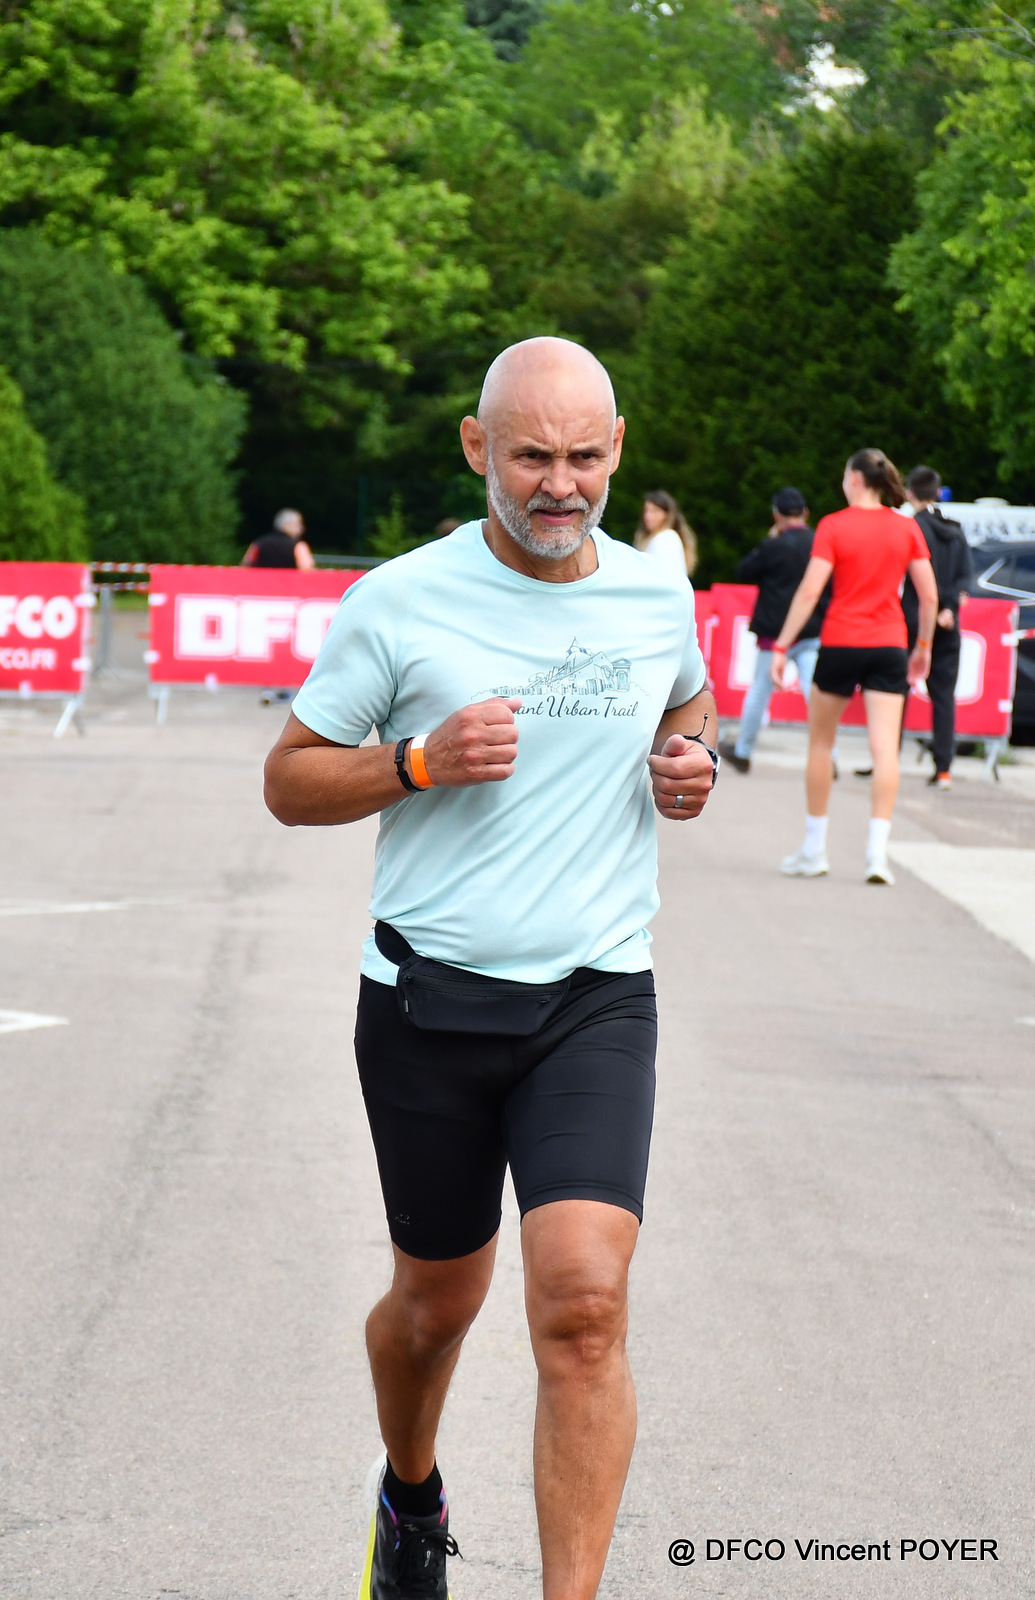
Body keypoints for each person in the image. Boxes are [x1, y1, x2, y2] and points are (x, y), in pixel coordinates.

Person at [263, 336, 718, 1600]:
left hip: (594, 998)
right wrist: (416, 761)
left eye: (582, 457)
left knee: (583, 1306)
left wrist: (690, 766)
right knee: (434, 1306)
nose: (560, 484)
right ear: (477, 448)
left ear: (616, 449)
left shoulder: (654, 596)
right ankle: (411, 1493)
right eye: (530, 456)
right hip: (429, 1005)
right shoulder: (399, 600)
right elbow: (289, 780)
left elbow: (685, 706)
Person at [771, 448, 937, 885]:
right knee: (885, 750)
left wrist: (782, 645)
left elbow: (810, 592)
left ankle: (814, 849)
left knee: (821, 745)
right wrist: (923, 646)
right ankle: (877, 856)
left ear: (856, 480)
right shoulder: (906, 527)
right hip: (889, 644)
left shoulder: (833, 525)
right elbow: (929, 596)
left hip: (841, 642)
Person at [718, 486, 829, 774]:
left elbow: (744, 571)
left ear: (776, 514)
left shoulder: (773, 545)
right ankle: (830, 756)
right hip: (811, 630)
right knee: (815, 694)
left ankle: (743, 751)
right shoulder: (820, 542)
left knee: (759, 692)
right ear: (805, 513)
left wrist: (769, 540)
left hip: (774, 632)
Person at [902, 465, 973, 789]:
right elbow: (965, 578)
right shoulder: (956, 531)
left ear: (910, 493)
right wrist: (949, 608)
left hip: (913, 621)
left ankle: (886, 761)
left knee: (895, 692)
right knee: (943, 697)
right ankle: (944, 768)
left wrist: (934, 607)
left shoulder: (912, 527)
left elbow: (909, 576)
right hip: (948, 622)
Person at [633, 489, 697, 580]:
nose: (648, 516)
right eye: (647, 511)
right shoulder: (652, 539)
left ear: (666, 515)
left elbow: (661, 578)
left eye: (655, 511)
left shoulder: (667, 538)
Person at [242, 508, 315, 569]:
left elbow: (246, 564)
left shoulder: (258, 543)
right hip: (288, 581)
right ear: (287, 525)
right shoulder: (298, 546)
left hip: (262, 581)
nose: (301, 529)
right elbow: (306, 568)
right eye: (298, 524)